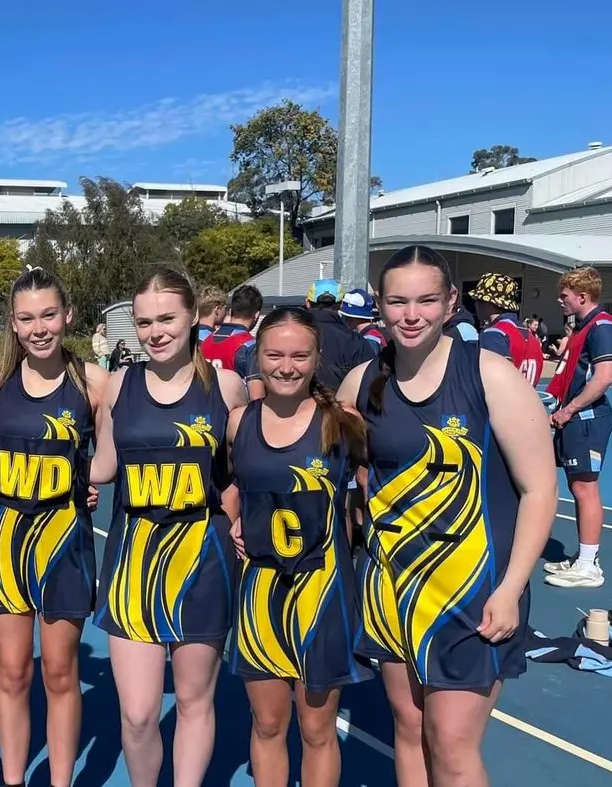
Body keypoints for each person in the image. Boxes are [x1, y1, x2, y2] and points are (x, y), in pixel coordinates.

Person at [336, 245, 556, 786]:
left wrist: (511, 588)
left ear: (451, 301)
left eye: (426, 300)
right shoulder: (360, 383)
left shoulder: (491, 377)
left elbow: (540, 490)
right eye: (398, 302)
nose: (412, 315)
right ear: (381, 307)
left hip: (473, 589)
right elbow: (341, 476)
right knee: (408, 733)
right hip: (391, 585)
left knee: (453, 747)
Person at [88, 266, 247, 787]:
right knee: (137, 714)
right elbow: (104, 466)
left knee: (195, 699)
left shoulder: (226, 387)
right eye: (145, 322)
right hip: (132, 558)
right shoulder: (118, 385)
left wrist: (243, 516)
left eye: (167, 319)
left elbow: (246, 468)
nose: (155, 332)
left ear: (194, 317)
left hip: (203, 559)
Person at [224, 306, 370, 787]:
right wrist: (232, 522)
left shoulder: (342, 422)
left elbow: (372, 496)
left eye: (299, 356)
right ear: (257, 358)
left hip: (323, 594)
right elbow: (230, 487)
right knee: (267, 724)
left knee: (315, 728)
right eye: (275, 355)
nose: (286, 366)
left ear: (316, 358)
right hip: (260, 593)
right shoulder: (239, 422)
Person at [0, 267, 107, 787]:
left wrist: (79, 481)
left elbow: (111, 460)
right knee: (12, 672)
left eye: (48, 314)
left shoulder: (94, 382)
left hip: (67, 548)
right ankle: (12, 778)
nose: (39, 328)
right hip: (6, 543)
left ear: (67, 315)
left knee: (59, 673)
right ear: (13, 323)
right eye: (26, 318)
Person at [544, 266, 612, 590]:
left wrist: (570, 409)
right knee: (579, 489)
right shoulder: (583, 327)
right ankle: (584, 558)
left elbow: (604, 378)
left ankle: (588, 566)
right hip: (574, 417)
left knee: (585, 489)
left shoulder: (601, 327)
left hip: (586, 419)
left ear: (582, 296)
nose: (560, 301)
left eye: (564, 296)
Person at [470, 273, 545, 386]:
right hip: (527, 400)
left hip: (498, 402)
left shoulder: (493, 334)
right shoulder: (530, 336)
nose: (475, 304)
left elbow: (492, 382)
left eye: (477, 300)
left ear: (488, 302)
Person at [303, 278, 376, 389]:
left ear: (307, 303)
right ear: (341, 305)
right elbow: (370, 383)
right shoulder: (355, 341)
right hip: (337, 404)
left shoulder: (289, 334)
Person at [200, 284, 264, 400]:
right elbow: (257, 399)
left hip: (205, 410)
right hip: (234, 413)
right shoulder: (250, 345)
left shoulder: (205, 341)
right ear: (256, 315)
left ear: (231, 311)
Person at [340, 288, 387, 353]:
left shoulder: (369, 341)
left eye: (345, 316)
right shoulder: (370, 336)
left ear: (352, 318)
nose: (343, 319)